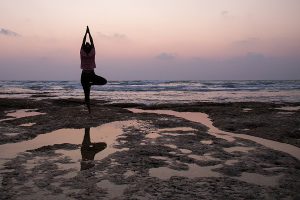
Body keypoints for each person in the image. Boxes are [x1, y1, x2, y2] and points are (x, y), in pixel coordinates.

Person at [80, 26, 107, 113]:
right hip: (84, 75)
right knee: (86, 95)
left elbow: (91, 43)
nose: (87, 45)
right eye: (86, 45)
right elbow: (83, 43)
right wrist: (86, 34)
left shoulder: (92, 53)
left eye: (88, 45)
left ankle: (91, 84)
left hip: (91, 74)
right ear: (85, 47)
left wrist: (88, 33)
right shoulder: (82, 52)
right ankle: (89, 111)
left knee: (104, 81)